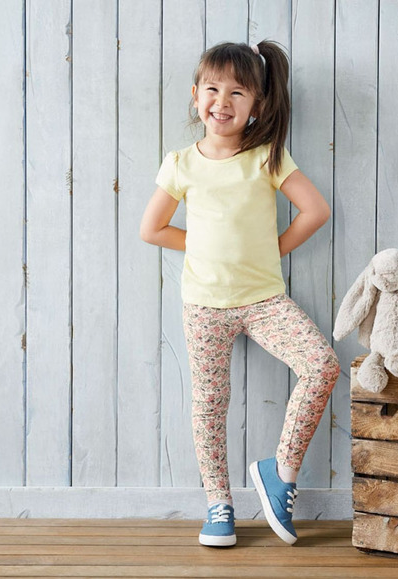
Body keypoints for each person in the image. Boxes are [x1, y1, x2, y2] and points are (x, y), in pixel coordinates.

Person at [140, 40, 340, 548]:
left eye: (237, 92)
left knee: (322, 365)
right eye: (212, 89)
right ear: (195, 95)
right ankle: (218, 504)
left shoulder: (266, 158)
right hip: (204, 305)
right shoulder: (181, 163)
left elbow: (316, 211)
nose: (222, 102)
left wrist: (272, 249)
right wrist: (203, 245)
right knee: (210, 404)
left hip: (264, 300)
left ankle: (280, 471)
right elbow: (152, 229)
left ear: (257, 104)